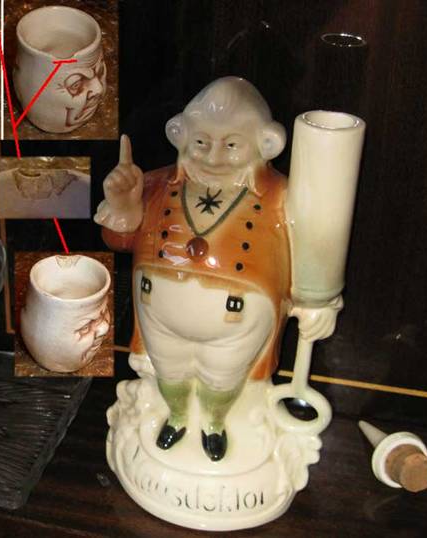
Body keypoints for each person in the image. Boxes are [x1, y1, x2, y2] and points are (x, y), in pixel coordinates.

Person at [94, 77, 339, 461]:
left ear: (265, 144)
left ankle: (214, 423)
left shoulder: (281, 198)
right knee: (170, 372)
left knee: (222, 378)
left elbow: (316, 250)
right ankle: (177, 416)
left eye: (231, 145)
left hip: (236, 326)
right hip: (159, 318)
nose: (213, 157)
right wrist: (123, 205)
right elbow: (118, 240)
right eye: (201, 142)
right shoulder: (155, 184)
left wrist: (318, 301)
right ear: (180, 136)